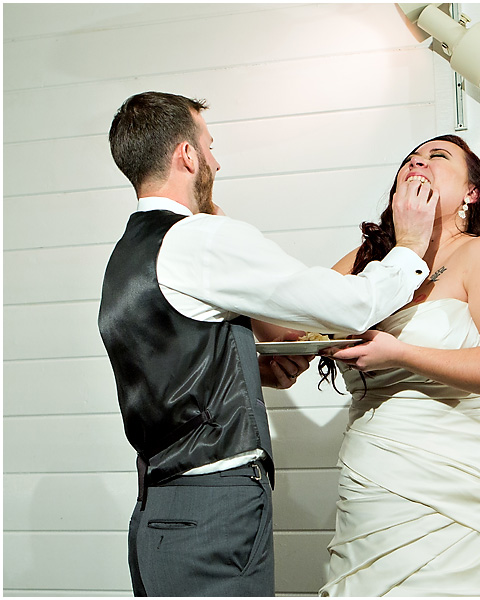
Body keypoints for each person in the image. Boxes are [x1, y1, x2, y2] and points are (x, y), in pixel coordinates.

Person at [98, 91, 437, 596]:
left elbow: (173, 355)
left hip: (156, 513)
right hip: (215, 510)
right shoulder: (202, 238)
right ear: (186, 156)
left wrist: (247, 364)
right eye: (209, 146)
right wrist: (409, 247)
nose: (216, 160)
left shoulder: (126, 255)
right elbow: (349, 305)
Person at [317, 135, 480, 596]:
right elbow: (292, 326)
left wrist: (401, 354)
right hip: (375, 482)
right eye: (410, 160)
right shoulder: (366, 263)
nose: (419, 164)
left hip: (466, 484)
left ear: (472, 192)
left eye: (437, 158)